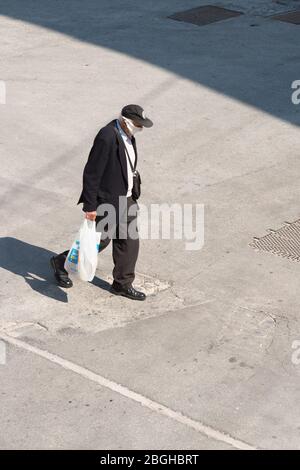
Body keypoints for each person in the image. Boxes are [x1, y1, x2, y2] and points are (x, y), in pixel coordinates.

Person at [50, 104, 153, 301]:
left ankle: (122, 284)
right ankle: (61, 262)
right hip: (108, 201)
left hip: (127, 199)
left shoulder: (129, 135)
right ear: (125, 121)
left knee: (129, 242)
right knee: (98, 241)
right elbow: (92, 172)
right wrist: (90, 206)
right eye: (138, 124)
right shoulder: (107, 136)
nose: (140, 128)